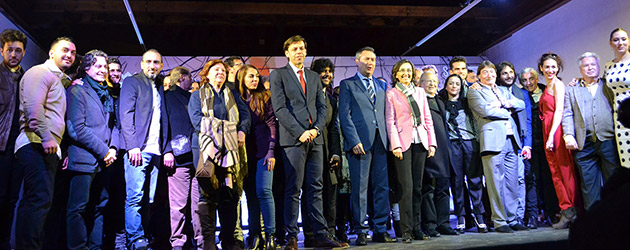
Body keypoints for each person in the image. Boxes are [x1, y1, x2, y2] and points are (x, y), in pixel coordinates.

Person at [269, 35, 346, 250]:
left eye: (302, 48)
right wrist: (300, 132)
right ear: (287, 53)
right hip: (294, 140)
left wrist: (315, 129)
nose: (299, 52)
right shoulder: (278, 75)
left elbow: (322, 107)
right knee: (293, 189)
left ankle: (320, 234)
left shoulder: (313, 76)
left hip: (315, 139)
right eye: (294, 49)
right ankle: (291, 237)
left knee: (316, 188)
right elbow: (280, 108)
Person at [13, 36, 75, 249]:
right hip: (35, 143)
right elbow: (33, 108)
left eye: (73, 53)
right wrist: (47, 137)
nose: (69, 55)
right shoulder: (40, 72)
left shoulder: (58, 79)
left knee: (39, 201)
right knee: (38, 201)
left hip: (46, 146)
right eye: (64, 50)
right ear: (51, 53)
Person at [338, 46, 397, 246]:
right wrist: (354, 141)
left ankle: (380, 229)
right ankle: (361, 230)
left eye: (372, 59)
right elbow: (344, 117)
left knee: (381, 187)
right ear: (357, 61)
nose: (370, 62)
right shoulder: (347, 84)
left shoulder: (382, 86)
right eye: (366, 59)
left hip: (381, 142)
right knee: (360, 189)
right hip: (360, 144)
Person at [189, 59, 250, 250]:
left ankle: (228, 240)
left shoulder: (232, 94)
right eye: (216, 70)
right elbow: (197, 120)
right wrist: (221, 132)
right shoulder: (197, 95)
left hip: (230, 151)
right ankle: (208, 242)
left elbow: (245, 116)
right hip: (206, 149)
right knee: (207, 193)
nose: (220, 73)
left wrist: (241, 131)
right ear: (207, 74)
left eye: (223, 71)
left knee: (229, 194)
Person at [65, 49, 118, 250]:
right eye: (98, 66)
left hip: (105, 162)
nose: (103, 70)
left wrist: (113, 148)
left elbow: (113, 127)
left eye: (105, 66)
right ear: (87, 68)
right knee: (77, 209)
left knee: (99, 207)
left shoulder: (107, 94)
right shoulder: (77, 90)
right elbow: (76, 129)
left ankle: (95, 247)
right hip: (84, 159)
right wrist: (104, 150)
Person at [467, 60, 526, 233]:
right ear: (479, 76)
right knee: (495, 184)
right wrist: (506, 110)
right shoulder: (474, 92)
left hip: (511, 140)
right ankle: (500, 221)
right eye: (485, 72)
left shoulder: (503, 90)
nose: (489, 75)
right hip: (492, 141)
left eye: (492, 72)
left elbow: (521, 104)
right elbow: (486, 111)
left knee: (511, 183)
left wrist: (505, 103)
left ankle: (513, 218)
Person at [119, 49, 167, 250]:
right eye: (148, 61)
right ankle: (135, 238)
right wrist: (133, 147)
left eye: (156, 62)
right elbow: (125, 114)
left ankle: (143, 237)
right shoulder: (133, 82)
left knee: (149, 197)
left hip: (155, 151)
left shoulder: (158, 87)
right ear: (141, 63)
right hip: (138, 149)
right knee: (135, 197)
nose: (152, 65)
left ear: (161, 65)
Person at [385, 60, 436, 243]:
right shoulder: (391, 94)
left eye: (409, 70)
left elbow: (427, 118)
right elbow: (390, 121)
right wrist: (395, 145)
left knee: (417, 187)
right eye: (402, 71)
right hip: (402, 143)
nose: (406, 73)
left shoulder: (420, 92)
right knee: (405, 187)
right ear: (396, 74)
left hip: (420, 141)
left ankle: (417, 227)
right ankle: (406, 230)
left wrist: (432, 143)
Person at [563, 52, 619, 210]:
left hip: (609, 140)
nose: (590, 68)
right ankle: (595, 225)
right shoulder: (571, 89)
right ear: (580, 69)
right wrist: (568, 134)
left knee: (613, 185)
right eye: (586, 65)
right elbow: (567, 114)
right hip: (584, 144)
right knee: (589, 187)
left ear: (598, 67)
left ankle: (616, 221)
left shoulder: (608, 85)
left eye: (593, 64)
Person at [236, 64, 279, 250]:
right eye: (250, 76)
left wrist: (271, 151)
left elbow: (271, 124)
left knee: (264, 191)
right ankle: (255, 235)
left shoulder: (265, 97)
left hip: (264, 151)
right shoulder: (236, 99)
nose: (254, 79)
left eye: (256, 76)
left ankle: (270, 235)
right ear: (242, 79)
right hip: (244, 154)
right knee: (250, 195)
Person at [301, 58, 343, 246]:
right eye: (322, 71)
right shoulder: (307, 97)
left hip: (328, 153)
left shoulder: (332, 100)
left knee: (330, 193)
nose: (327, 74)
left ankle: (330, 233)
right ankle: (310, 234)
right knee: (311, 192)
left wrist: (335, 153)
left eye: (329, 71)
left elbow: (333, 129)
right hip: (310, 151)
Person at [439, 74, 487, 234]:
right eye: (451, 83)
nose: (454, 86)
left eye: (457, 84)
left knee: (475, 180)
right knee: (457, 182)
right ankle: (461, 217)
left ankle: (479, 216)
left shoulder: (468, 102)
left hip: (470, 142)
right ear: (446, 86)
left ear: (461, 86)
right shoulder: (441, 103)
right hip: (453, 145)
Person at [537, 52, 578, 229]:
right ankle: (566, 210)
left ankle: (571, 211)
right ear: (541, 68)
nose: (550, 70)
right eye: (547, 66)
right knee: (556, 173)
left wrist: (552, 136)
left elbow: (559, 111)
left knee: (564, 171)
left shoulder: (558, 85)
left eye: (553, 66)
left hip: (557, 131)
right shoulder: (546, 86)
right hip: (548, 130)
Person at [162, 65, 201, 250]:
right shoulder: (168, 97)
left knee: (198, 204)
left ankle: (201, 240)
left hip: (196, 157)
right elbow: (164, 125)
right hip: (179, 159)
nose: (192, 80)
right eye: (190, 77)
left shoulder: (193, 98)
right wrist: (167, 150)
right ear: (183, 77)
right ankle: (178, 241)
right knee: (178, 205)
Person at [418, 72, 459, 236]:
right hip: (428, 148)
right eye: (428, 81)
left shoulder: (440, 100)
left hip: (444, 149)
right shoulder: (419, 101)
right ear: (420, 83)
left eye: (435, 81)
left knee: (443, 187)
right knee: (428, 188)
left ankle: (444, 222)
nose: (432, 84)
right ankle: (430, 224)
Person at [520, 68, 560, 227]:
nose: (528, 83)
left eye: (531, 79)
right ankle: (534, 215)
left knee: (549, 178)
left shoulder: (546, 90)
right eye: (524, 80)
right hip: (530, 143)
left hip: (547, 141)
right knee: (532, 179)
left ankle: (552, 212)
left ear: (537, 79)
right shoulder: (521, 95)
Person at [497, 61, 532, 230]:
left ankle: (519, 217)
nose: (509, 76)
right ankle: (506, 218)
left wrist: (528, 145)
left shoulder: (521, 93)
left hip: (519, 142)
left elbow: (528, 119)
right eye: (504, 73)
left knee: (520, 180)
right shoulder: (495, 91)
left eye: (511, 72)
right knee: (504, 181)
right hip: (502, 141)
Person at [0, 28, 26, 250]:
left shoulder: (28, 78)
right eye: (10, 50)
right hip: (0, 144)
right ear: (2, 51)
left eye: (18, 50)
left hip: (17, 146)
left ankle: (5, 242)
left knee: (11, 199)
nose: (14, 55)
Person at [604, 28, 630, 168]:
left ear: (628, 41)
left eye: (624, 39)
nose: (620, 43)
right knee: (626, 160)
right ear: (611, 43)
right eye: (616, 40)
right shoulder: (609, 66)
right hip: (620, 117)